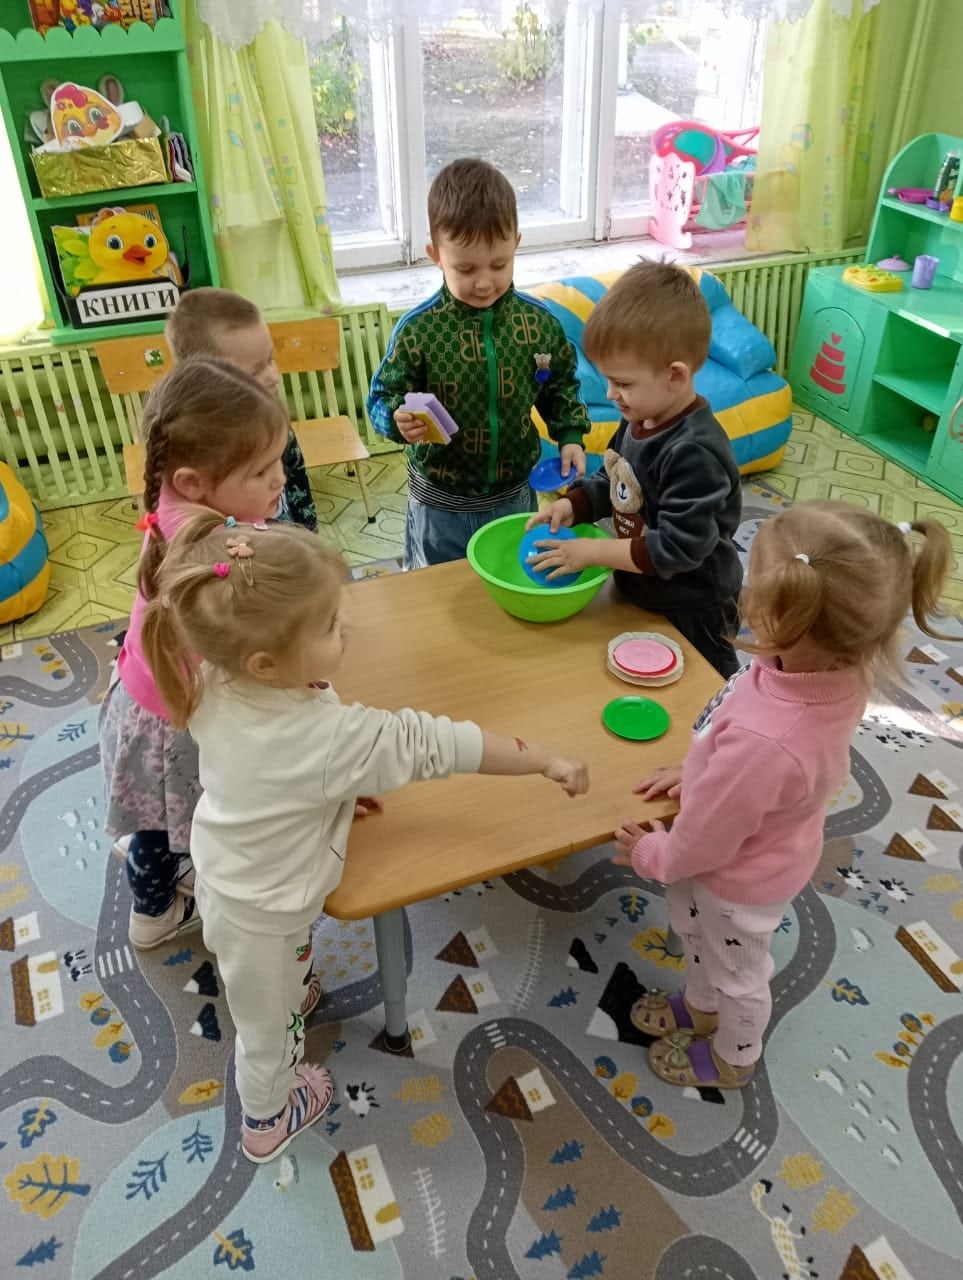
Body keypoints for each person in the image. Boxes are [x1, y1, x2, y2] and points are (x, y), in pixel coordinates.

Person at [141, 512, 589, 1162]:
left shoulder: (218, 672)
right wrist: (543, 758)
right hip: (261, 909)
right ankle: (267, 1119)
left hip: (236, 864)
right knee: (268, 1034)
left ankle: (290, 992)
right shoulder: (324, 739)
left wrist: (333, 791)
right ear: (266, 662)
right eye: (329, 625)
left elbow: (273, 774)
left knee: (279, 977)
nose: (345, 630)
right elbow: (435, 743)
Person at [611, 501, 951, 1090]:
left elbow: (710, 836)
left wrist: (656, 856)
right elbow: (741, 757)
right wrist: (700, 770)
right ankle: (702, 1007)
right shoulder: (823, 667)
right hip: (754, 833)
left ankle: (732, 1056)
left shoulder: (768, 742)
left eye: (756, 588)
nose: (744, 596)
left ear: (786, 618)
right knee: (698, 940)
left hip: (736, 880)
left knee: (738, 974)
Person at [100, 359, 291, 950]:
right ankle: (154, 914)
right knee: (161, 827)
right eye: (260, 470)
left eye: (278, 460)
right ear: (193, 481)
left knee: (154, 822)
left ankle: (157, 875)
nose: (280, 479)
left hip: (145, 694)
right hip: (174, 723)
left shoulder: (173, 499)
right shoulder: (217, 550)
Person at [367, 157, 590, 569]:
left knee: (508, 576)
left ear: (516, 244)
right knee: (437, 590)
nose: (485, 282)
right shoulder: (418, 330)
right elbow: (381, 398)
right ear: (436, 255)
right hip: (439, 505)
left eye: (499, 264)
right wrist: (395, 419)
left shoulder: (537, 323)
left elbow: (560, 384)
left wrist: (570, 435)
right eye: (465, 268)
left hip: (513, 497)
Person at [526, 261, 743, 677]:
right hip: (642, 587)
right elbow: (616, 478)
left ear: (674, 375)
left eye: (623, 383)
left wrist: (591, 552)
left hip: (694, 606)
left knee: (705, 689)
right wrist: (575, 505)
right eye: (608, 380)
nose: (612, 394)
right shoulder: (640, 417)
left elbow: (677, 549)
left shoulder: (694, 452)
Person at [165, 287, 318, 531]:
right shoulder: (194, 449)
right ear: (202, 379)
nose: (274, 376)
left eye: (270, 359)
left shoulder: (270, 419)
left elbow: (297, 486)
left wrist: (309, 538)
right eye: (254, 371)